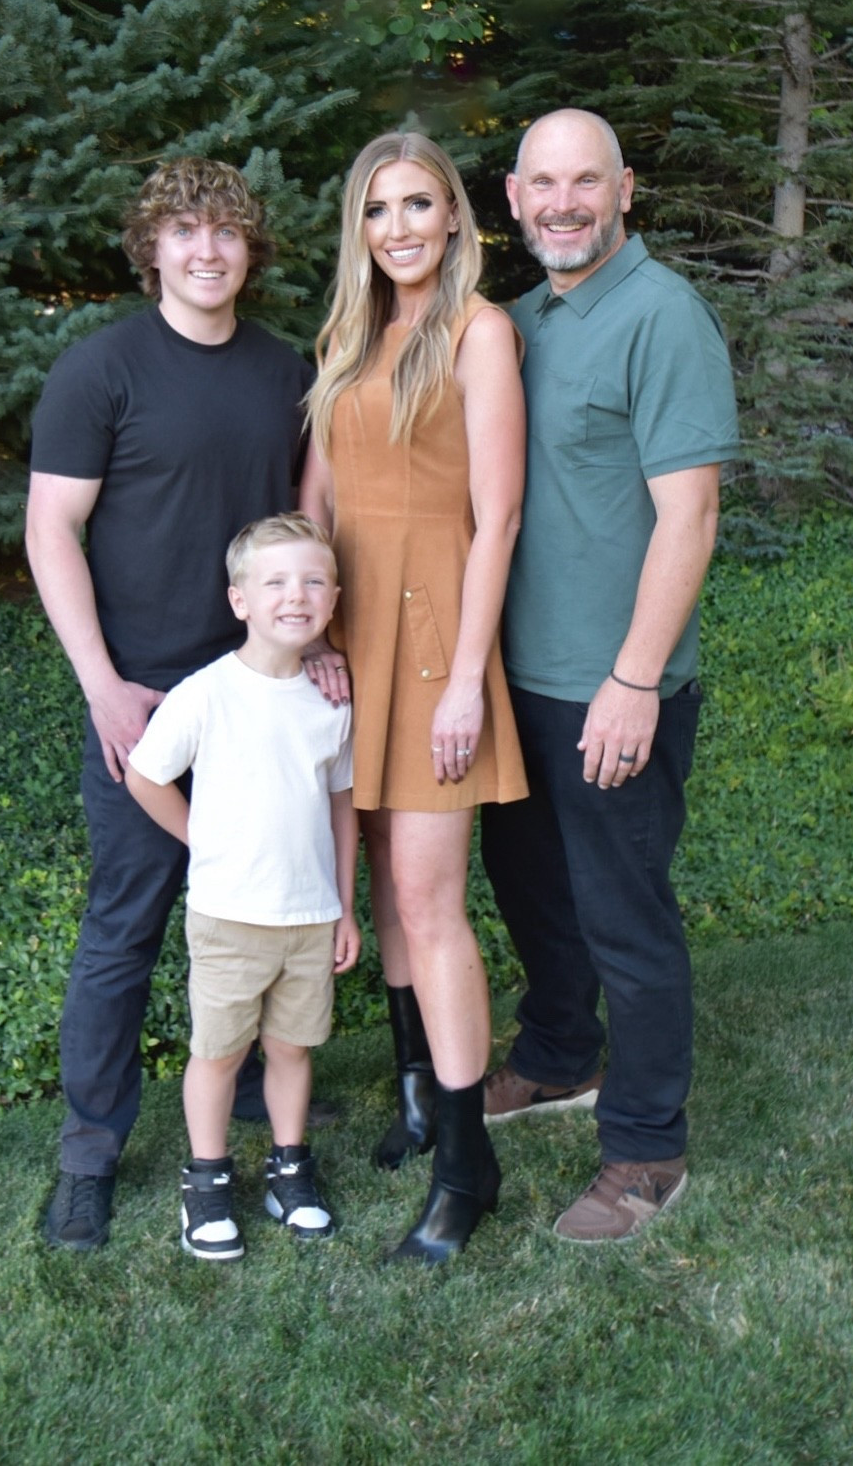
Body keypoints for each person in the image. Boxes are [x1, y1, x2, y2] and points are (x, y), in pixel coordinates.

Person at [25, 157, 318, 1251]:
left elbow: (302, 533)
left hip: (260, 698)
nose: (208, 249)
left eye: (227, 231)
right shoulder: (100, 370)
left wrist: (315, 643)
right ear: (150, 246)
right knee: (125, 928)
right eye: (185, 230)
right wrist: (102, 685)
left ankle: (249, 1101)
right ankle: (91, 1154)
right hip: (144, 703)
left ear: (251, 248)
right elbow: (51, 529)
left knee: (264, 913)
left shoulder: (284, 371)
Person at [480, 106, 739, 1242]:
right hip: (518, 679)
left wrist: (635, 680)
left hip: (614, 686)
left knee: (625, 916)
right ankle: (556, 1057)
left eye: (586, 180)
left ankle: (645, 1146)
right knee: (536, 891)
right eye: (545, 182)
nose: (564, 201)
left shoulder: (661, 316)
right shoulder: (520, 322)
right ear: (513, 194)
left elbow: (691, 515)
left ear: (625, 189)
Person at [300, 130, 528, 1262]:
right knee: (390, 884)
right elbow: (319, 495)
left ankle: (468, 1161)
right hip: (354, 636)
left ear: (453, 217)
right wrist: (311, 633)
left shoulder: (479, 332)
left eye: (419, 205)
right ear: (363, 225)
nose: (399, 228)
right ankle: (418, 1098)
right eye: (379, 209)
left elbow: (500, 518)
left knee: (433, 903)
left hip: (438, 634)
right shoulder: (350, 333)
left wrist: (467, 682)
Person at [125, 514, 359, 1260]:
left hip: (309, 915)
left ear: (334, 599)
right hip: (229, 915)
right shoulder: (207, 694)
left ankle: (289, 1170)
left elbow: (341, 807)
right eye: (277, 582)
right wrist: (203, 839)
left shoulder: (331, 703)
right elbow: (144, 774)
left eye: (314, 581)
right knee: (220, 1055)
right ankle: (207, 1181)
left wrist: (345, 907)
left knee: (292, 1050)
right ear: (240, 602)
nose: (297, 595)